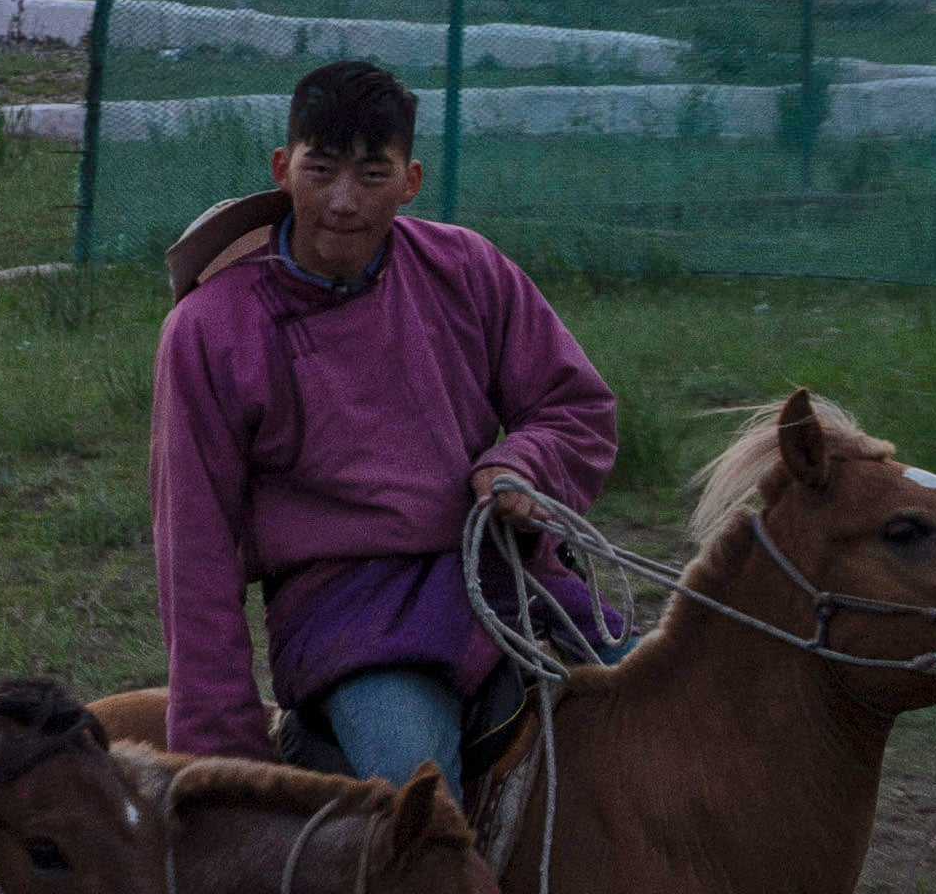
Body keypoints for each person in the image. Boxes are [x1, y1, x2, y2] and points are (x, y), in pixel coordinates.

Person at [150, 57, 621, 788]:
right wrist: (222, 753)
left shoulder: (466, 269)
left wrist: (521, 463)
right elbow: (195, 551)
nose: (342, 201)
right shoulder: (210, 328)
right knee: (417, 795)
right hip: (347, 619)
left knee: (663, 722)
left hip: (497, 575)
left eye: (372, 174)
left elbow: (575, 405)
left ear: (410, 181)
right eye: (321, 169)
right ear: (281, 166)